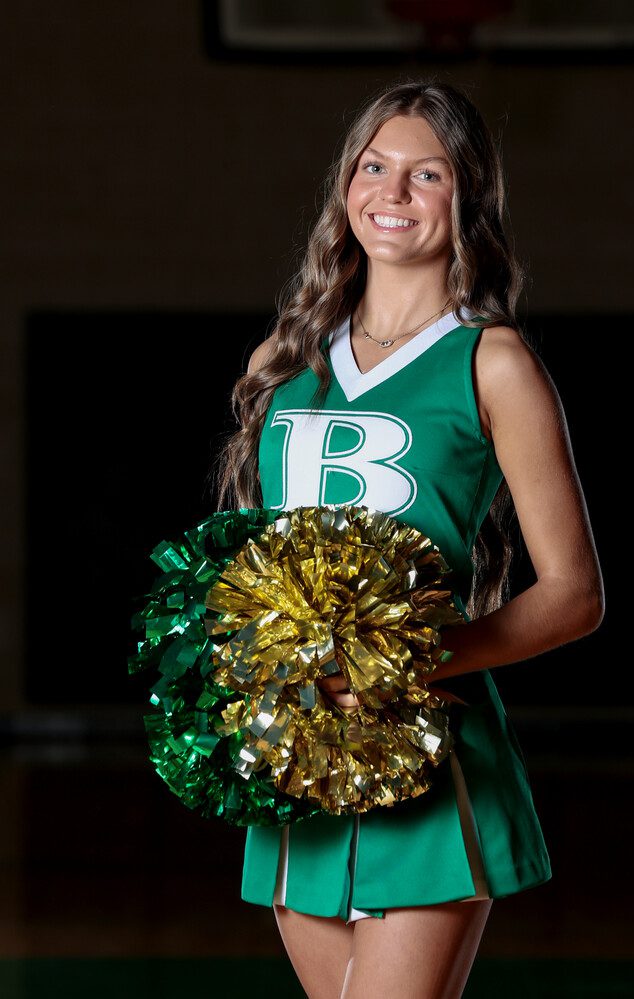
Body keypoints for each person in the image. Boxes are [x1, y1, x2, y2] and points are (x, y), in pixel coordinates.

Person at [213, 78, 604, 999]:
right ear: (344, 187)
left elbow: (575, 595)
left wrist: (404, 661)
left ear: (468, 197)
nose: (391, 192)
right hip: (299, 754)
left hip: (427, 750)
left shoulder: (492, 361)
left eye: (425, 174)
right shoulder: (287, 361)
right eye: (373, 167)